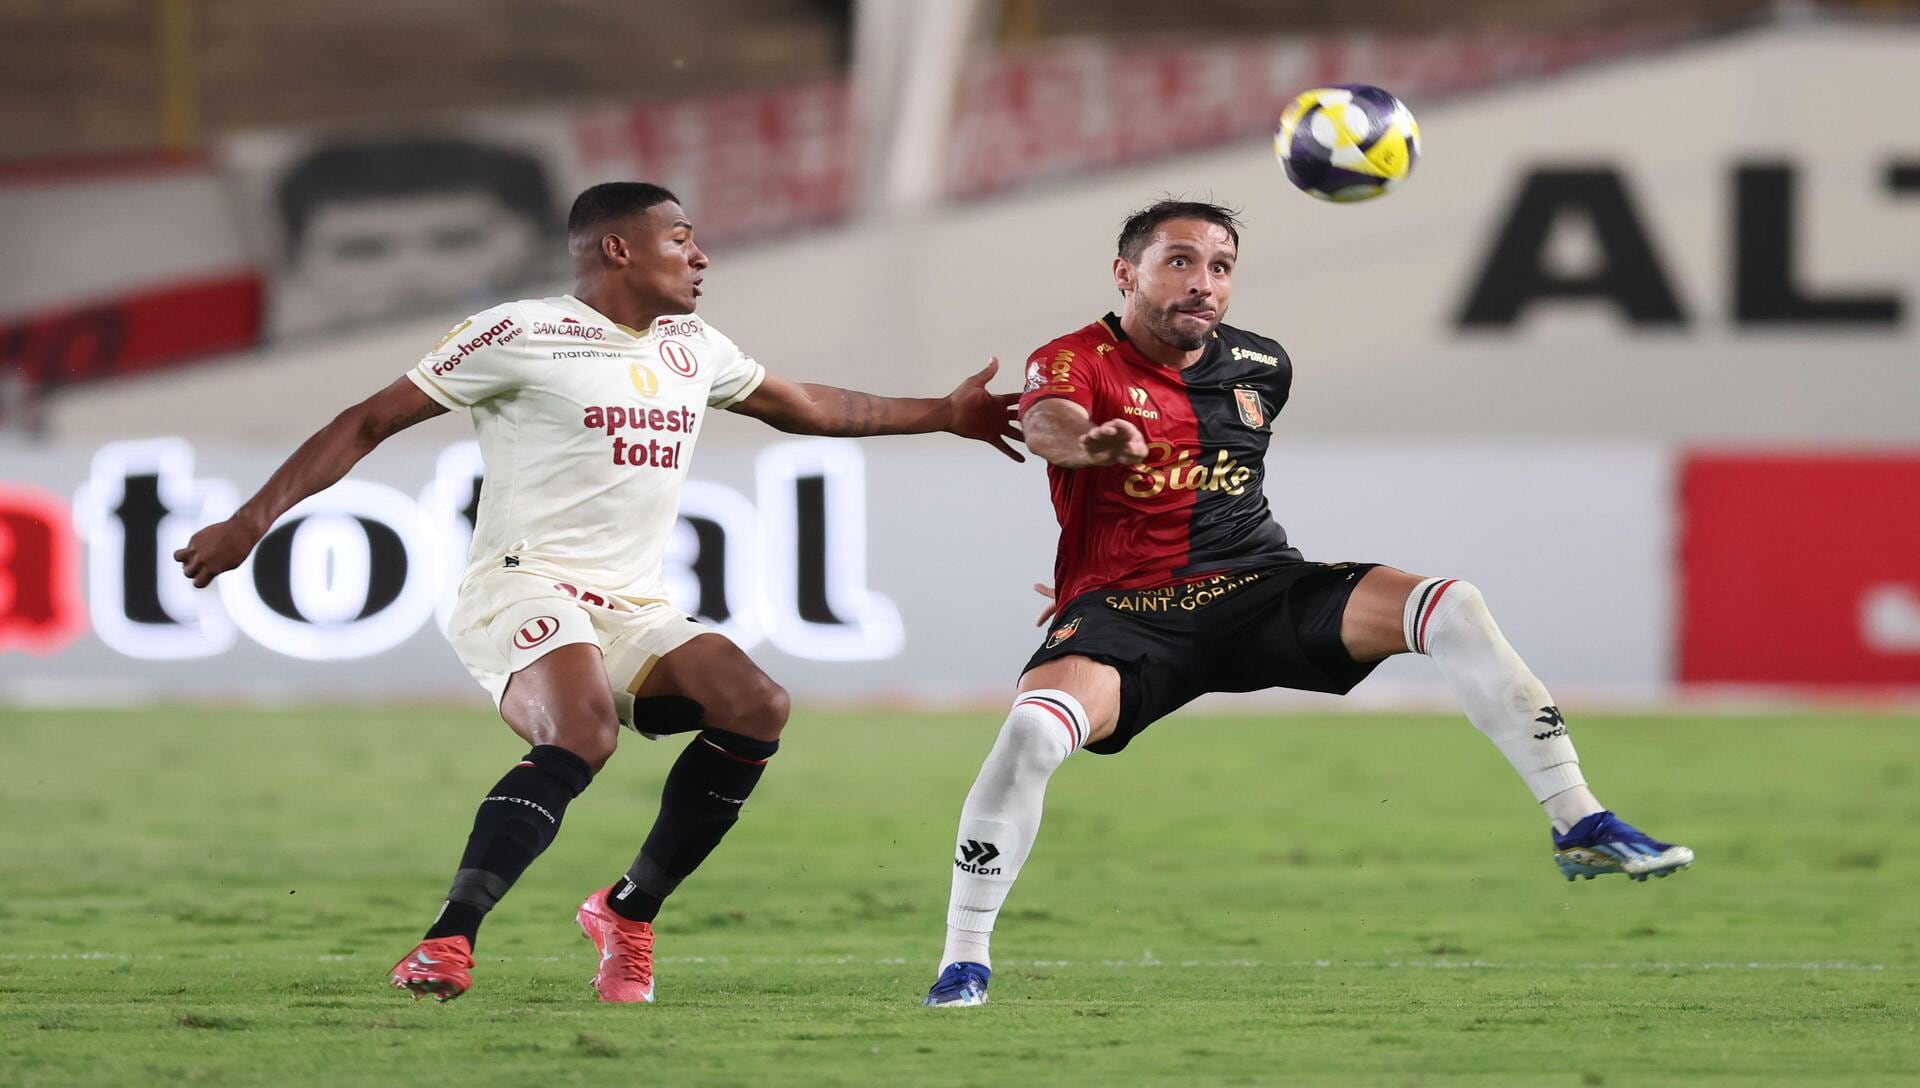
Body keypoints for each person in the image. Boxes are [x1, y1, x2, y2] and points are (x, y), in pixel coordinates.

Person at [175, 181, 1023, 1004]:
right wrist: (251, 523)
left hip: (634, 602)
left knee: (756, 704)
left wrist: (942, 414)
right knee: (583, 731)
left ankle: (626, 912)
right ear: (619, 248)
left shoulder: (696, 347)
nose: (702, 256)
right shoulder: (519, 332)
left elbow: (805, 406)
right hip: (521, 585)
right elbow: (367, 420)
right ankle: (449, 935)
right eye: (682, 238)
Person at [921, 199, 1692, 1009]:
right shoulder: (1074, 358)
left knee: (1453, 606)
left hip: (1258, 585)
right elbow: (1048, 424)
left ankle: (1579, 821)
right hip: (1131, 609)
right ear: (1126, 273)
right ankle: (964, 959)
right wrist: (1088, 446)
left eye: (1221, 267)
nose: (1204, 284)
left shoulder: (1262, 365)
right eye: (1179, 261)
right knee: (1032, 733)